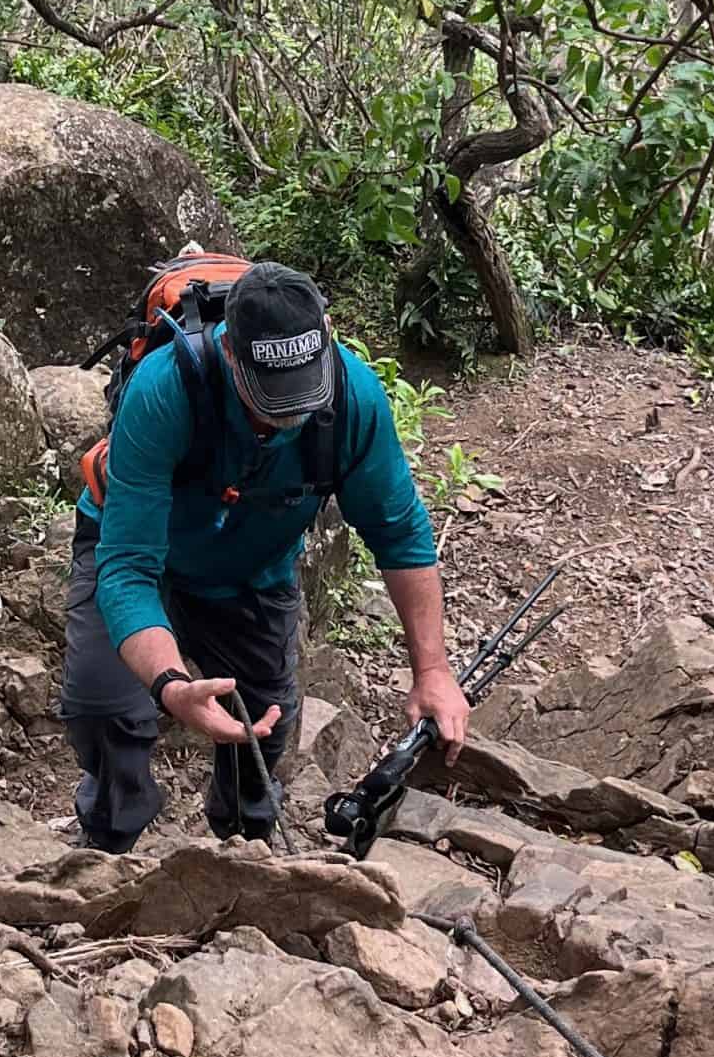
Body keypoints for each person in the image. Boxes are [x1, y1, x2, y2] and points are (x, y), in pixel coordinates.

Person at [58, 259, 469, 852]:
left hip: (251, 571)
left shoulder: (353, 398)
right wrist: (171, 684)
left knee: (265, 725)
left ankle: (245, 834)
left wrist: (432, 673)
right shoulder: (166, 390)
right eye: (270, 397)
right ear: (230, 353)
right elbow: (127, 569)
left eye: (304, 393)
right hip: (136, 547)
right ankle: (107, 838)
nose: (289, 414)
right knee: (101, 707)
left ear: (326, 336)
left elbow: (400, 535)